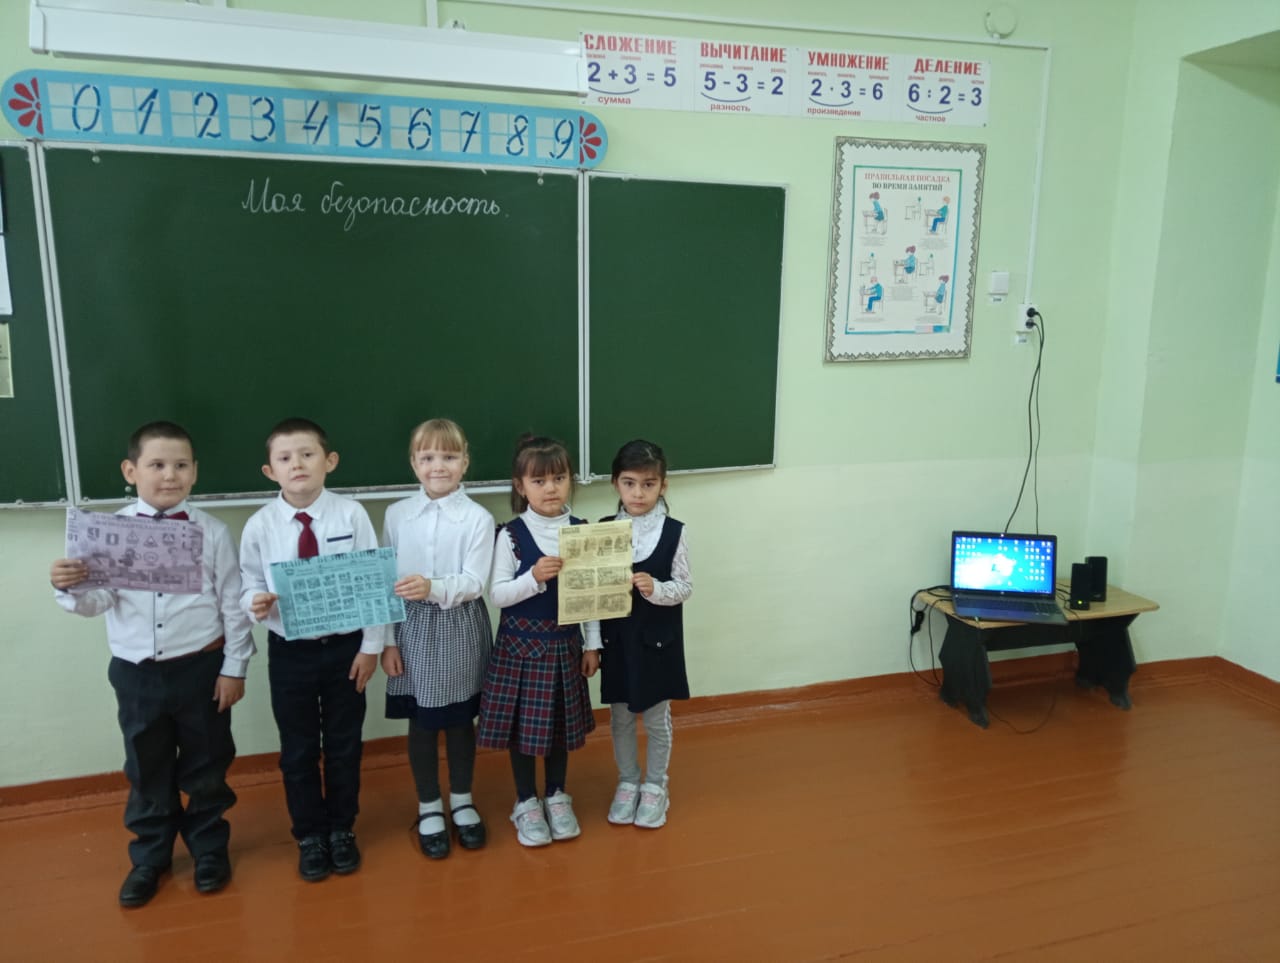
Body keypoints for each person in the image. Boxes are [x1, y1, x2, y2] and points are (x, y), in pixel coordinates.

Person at [49, 421, 255, 908]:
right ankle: (150, 856)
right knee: (146, 766)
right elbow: (99, 600)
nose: (169, 475)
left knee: (208, 763)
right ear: (131, 470)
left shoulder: (213, 531)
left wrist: (235, 668)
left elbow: (232, 605)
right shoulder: (109, 533)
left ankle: (209, 849)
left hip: (200, 668)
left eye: (181, 465)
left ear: (195, 472)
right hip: (136, 672)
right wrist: (68, 587)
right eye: (157, 465)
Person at [238, 417, 390, 882]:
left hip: (346, 649)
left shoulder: (351, 515)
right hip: (290, 652)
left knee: (344, 744)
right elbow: (248, 582)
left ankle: (342, 828)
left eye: (307, 454)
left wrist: (370, 647)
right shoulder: (260, 525)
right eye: (285, 458)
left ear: (330, 461)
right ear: (270, 471)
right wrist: (254, 602)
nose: (297, 464)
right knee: (298, 749)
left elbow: (373, 581)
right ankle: (309, 835)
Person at [477, 435, 600, 847]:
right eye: (539, 481)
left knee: (559, 727)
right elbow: (498, 595)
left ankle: (557, 795)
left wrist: (592, 644)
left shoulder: (581, 532)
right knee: (523, 730)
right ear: (521, 486)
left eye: (559, 479)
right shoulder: (511, 535)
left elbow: (592, 597)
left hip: (565, 644)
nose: (551, 489)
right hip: (520, 648)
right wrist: (533, 578)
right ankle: (526, 800)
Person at [381, 418, 494, 859]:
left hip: (459, 622)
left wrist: (433, 587)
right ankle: (429, 804)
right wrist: (388, 641)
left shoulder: (478, 518)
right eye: (427, 457)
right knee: (422, 719)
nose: (438, 466)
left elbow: (475, 582)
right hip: (410, 627)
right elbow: (384, 580)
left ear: (465, 462)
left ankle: (462, 799)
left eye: (449, 456)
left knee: (461, 717)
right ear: (414, 463)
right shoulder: (397, 514)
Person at [598, 440, 691, 830]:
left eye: (649, 484)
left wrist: (657, 589)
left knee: (655, 718)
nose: (638, 493)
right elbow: (591, 591)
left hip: (657, 642)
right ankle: (628, 781)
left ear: (662, 486)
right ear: (616, 484)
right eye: (629, 483)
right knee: (620, 717)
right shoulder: (602, 530)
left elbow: (684, 586)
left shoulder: (673, 532)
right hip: (617, 641)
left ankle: (655, 784)